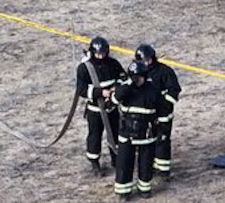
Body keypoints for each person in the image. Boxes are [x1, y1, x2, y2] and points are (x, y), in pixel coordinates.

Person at [112, 60, 163, 199]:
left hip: (146, 133)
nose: (136, 80)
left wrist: (161, 130)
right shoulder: (125, 89)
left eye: (139, 77)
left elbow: (161, 110)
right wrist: (127, 85)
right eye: (134, 77)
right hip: (127, 133)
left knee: (146, 163)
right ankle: (124, 191)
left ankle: (144, 188)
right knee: (124, 163)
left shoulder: (152, 90)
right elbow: (114, 100)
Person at [76, 36, 124, 176]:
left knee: (115, 134)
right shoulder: (85, 68)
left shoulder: (114, 64)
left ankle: (116, 159)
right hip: (95, 110)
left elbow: (123, 78)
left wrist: (116, 89)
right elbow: (82, 89)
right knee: (94, 136)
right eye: (98, 54)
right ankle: (94, 162)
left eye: (103, 53)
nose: (101, 56)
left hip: (112, 108)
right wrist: (100, 92)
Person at [135, 44, 181, 180]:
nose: (147, 63)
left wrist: (163, 105)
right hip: (147, 115)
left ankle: (163, 170)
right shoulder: (138, 73)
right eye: (144, 61)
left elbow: (174, 91)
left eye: (149, 59)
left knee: (163, 140)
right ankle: (151, 165)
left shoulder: (164, 71)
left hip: (163, 115)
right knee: (149, 141)